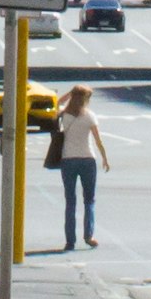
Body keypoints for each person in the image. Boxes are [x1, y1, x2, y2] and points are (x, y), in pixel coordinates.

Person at [46, 86, 109, 250]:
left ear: (72, 97)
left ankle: (70, 240)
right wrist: (104, 158)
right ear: (86, 99)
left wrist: (70, 93)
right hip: (88, 159)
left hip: (68, 160)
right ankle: (89, 236)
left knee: (70, 201)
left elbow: (57, 103)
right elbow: (98, 140)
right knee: (89, 200)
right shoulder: (89, 116)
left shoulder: (63, 116)